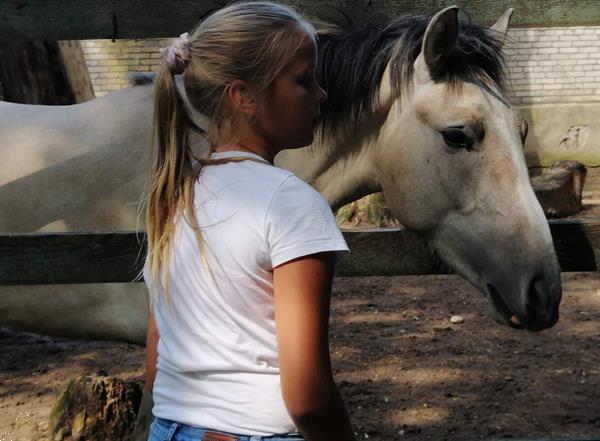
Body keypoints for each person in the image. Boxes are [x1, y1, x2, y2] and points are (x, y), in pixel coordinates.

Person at [143, 2, 356, 440]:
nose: (321, 94)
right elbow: (308, 400)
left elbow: (156, 367)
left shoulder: (172, 196)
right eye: (304, 79)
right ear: (245, 96)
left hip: (168, 428)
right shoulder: (290, 203)